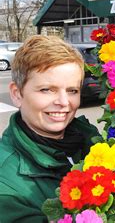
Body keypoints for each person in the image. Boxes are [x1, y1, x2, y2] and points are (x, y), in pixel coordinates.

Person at [0, 36, 100, 222]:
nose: (63, 102)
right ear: (17, 94)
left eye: (72, 91)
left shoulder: (91, 139)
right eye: (47, 90)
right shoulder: (5, 186)